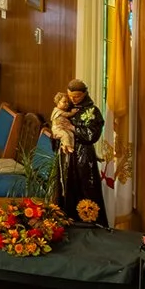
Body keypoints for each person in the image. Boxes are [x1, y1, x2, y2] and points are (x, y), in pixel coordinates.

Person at [48, 79, 105, 225]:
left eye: (77, 96)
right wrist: (56, 135)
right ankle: (65, 220)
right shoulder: (65, 108)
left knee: (85, 189)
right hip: (66, 156)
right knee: (64, 188)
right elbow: (56, 129)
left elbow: (92, 135)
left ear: (85, 94)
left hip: (83, 156)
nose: (73, 99)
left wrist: (73, 128)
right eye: (70, 95)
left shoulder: (92, 111)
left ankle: (89, 222)